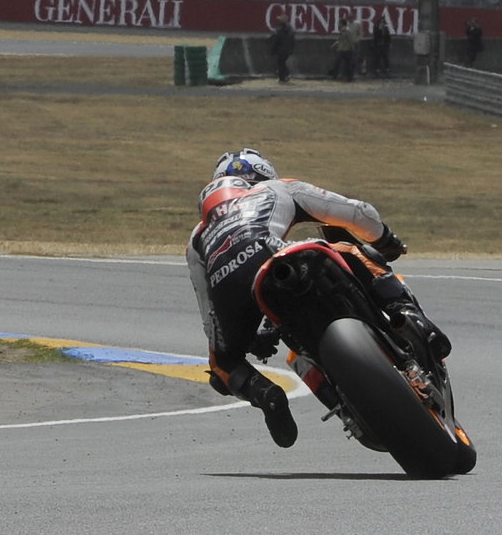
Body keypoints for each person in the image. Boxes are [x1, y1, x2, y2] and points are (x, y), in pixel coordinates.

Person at [187, 149, 449, 448]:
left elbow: (208, 311)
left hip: (235, 290)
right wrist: (384, 239)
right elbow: (358, 211)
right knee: (352, 251)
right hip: (281, 256)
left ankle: (265, 393)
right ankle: (408, 314)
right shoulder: (278, 187)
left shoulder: (197, 237)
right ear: (263, 175)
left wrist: (242, 339)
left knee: (222, 364)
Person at [269, 18, 295, 83]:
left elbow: (275, 42)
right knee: (282, 63)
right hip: (287, 50)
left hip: (281, 51)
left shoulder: (279, 33)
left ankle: (282, 78)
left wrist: (272, 51)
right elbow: (292, 42)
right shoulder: (289, 32)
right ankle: (286, 75)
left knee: (280, 64)